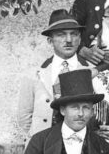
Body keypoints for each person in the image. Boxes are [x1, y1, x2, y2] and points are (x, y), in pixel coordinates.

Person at [17, 10, 91, 139]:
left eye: (74, 34)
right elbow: (24, 116)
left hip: (79, 143)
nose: (69, 40)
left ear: (79, 39)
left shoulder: (90, 71)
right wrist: (37, 140)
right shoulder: (34, 74)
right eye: (61, 35)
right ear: (50, 41)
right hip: (43, 144)